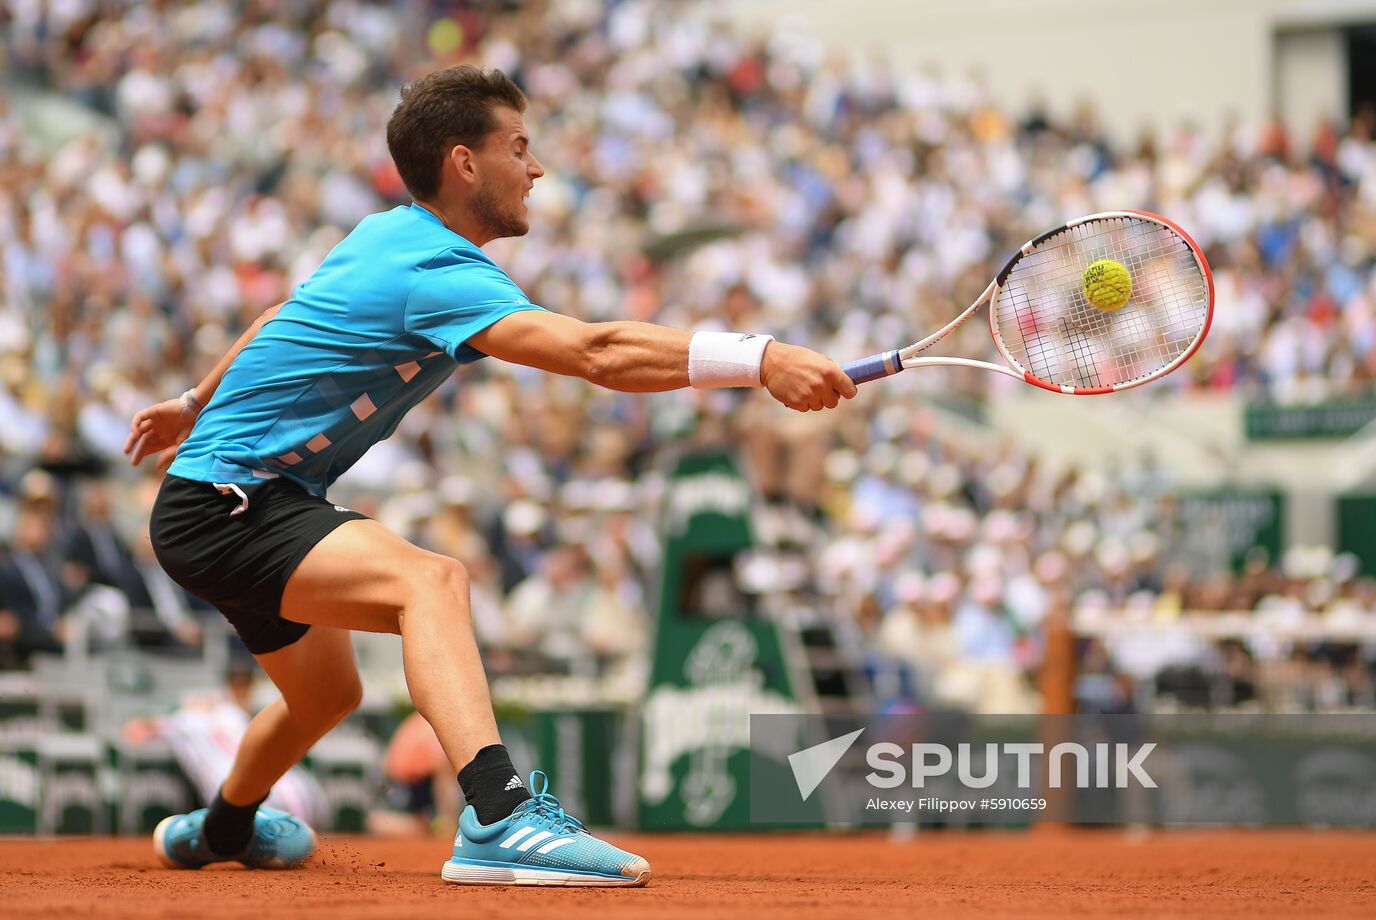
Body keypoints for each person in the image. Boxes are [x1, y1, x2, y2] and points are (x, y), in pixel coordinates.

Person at [126, 65, 855, 887]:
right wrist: (760, 357)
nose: (537, 167)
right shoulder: (432, 270)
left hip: (245, 498)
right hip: (229, 506)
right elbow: (596, 353)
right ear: (464, 162)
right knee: (431, 583)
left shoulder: (382, 233)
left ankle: (220, 828)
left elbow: (273, 318)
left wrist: (192, 399)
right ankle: (499, 815)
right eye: (520, 146)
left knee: (326, 696)